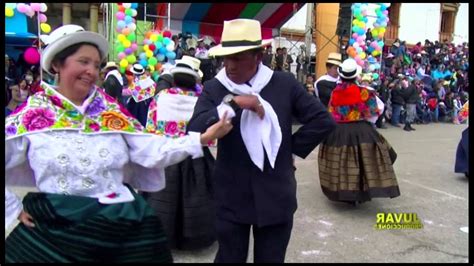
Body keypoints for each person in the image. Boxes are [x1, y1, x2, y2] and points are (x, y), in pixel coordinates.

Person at [4, 24, 232, 263]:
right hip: (55, 231)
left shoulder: (111, 113)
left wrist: (200, 139)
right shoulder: (32, 115)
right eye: (83, 61)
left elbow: (152, 150)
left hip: (117, 229)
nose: (92, 71)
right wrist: (13, 208)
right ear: (56, 65)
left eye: (97, 64)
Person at [186, 18, 336, 263]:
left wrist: (290, 151)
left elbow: (323, 120)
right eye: (226, 58)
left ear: (258, 56)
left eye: (238, 58)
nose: (229, 65)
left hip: (276, 195)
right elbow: (195, 127)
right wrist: (235, 104)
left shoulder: (284, 84)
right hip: (231, 195)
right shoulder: (217, 87)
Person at [141, 55, 217, 250]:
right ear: (194, 80)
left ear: (174, 78)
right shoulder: (200, 101)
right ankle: (193, 238)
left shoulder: (160, 97)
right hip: (196, 155)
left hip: (167, 154)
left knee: (163, 199)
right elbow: (209, 136)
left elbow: (150, 128)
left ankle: (164, 236)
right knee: (197, 196)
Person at [318, 58, 400, 206]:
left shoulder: (335, 93)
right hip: (361, 129)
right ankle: (361, 193)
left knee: (342, 163)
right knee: (364, 162)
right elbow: (375, 112)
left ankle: (346, 194)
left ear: (341, 75)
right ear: (356, 75)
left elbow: (331, 112)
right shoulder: (365, 92)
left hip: (338, 131)